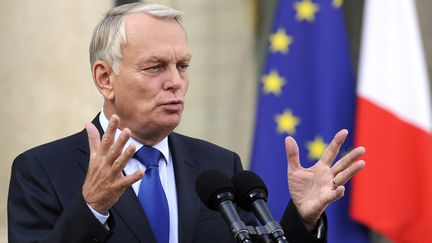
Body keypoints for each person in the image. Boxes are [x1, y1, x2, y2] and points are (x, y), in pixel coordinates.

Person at [7, 3, 366, 243]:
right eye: (155, 67)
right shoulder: (41, 171)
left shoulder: (219, 167)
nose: (175, 82)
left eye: (182, 66)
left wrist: (302, 218)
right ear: (105, 78)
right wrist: (91, 207)